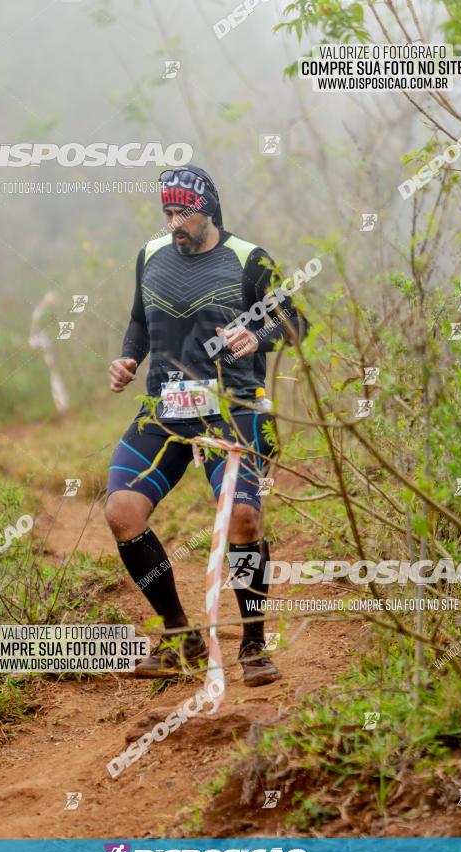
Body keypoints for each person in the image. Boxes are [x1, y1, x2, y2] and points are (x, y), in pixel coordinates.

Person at [105, 164, 304, 686]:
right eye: (168, 213)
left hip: (233, 408)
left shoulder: (248, 259)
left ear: (208, 210)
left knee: (242, 519)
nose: (175, 223)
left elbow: (294, 322)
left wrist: (257, 337)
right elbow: (139, 322)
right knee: (122, 511)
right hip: (164, 410)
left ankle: (254, 644)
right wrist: (128, 360)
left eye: (183, 213)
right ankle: (179, 637)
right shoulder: (150, 256)